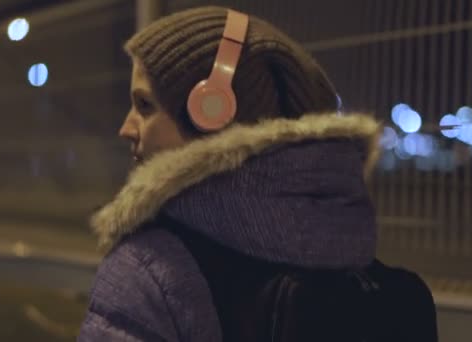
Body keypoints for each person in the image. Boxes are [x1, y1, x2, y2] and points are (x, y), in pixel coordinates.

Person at [78, 6, 383, 341]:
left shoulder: (149, 271)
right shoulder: (351, 255)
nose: (126, 128)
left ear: (211, 114)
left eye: (145, 105)